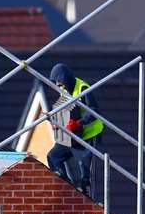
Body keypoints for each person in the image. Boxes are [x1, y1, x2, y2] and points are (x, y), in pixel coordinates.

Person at [44, 63, 103, 197]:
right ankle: (66, 186)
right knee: (53, 157)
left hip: (90, 134)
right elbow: (63, 110)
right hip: (73, 135)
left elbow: (94, 111)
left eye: (61, 83)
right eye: (57, 85)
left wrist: (78, 123)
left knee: (85, 169)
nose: (60, 87)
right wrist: (55, 121)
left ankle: (86, 196)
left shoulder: (82, 88)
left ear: (66, 79)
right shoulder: (65, 91)